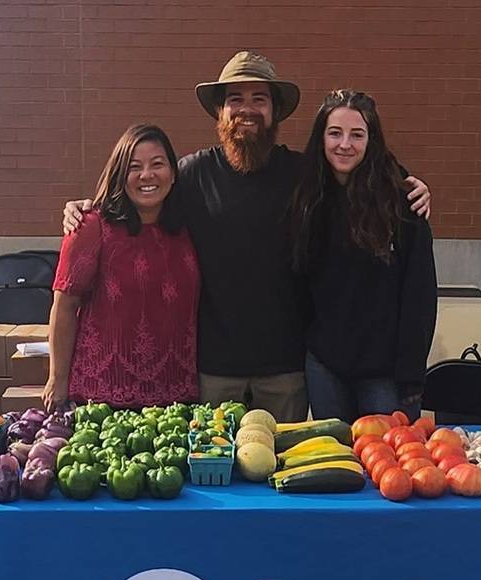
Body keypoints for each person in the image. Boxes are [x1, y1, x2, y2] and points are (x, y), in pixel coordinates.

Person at [63, 51, 430, 422]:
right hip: (214, 369)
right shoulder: (192, 174)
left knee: (279, 470)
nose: (247, 109)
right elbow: (142, 191)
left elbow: (356, 169)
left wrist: (404, 182)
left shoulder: (302, 174)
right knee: (216, 472)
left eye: (259, 99)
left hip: (285, 367)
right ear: (220, 112)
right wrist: (87, 209)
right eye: (235, 99)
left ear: (275, 111)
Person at [290, 90, 438, 423]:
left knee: (390, 469)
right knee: (339, 465)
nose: (345, 144)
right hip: (325, 366)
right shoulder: (307, 198)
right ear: (321, 137)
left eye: (357, 134)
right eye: (334, 133)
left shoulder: (402, 201)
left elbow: (420, 294)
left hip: (385, 376)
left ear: (372, 140)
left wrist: (412, 377)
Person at [44, 123, 200, 411]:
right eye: (134, 167)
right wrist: (57, 379)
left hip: (177, 399)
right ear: (119, 173)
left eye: (158, 164)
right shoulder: (91, 226)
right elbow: (64, 305)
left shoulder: (187, 228)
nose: (147, 175)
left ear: (173, 174)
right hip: (102, 398)